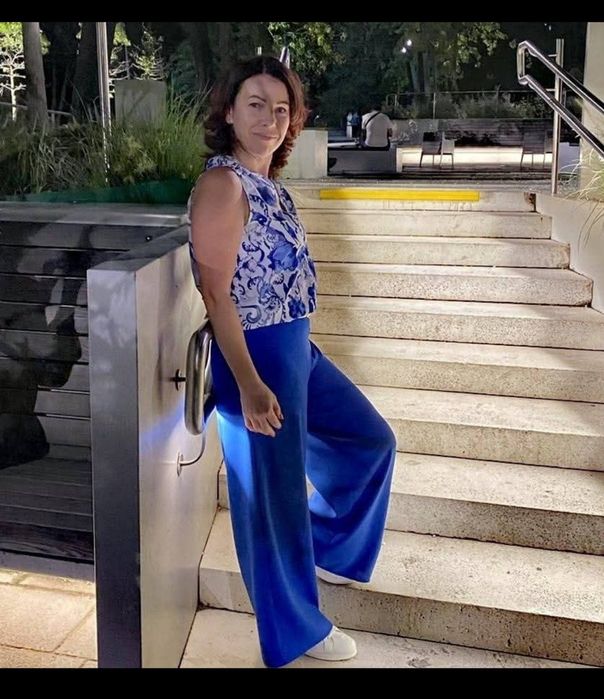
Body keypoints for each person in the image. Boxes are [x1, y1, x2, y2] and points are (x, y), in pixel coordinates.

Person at [187, 55, 396, 669]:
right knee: (272, 501)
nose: (270, 119)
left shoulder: (271, 187)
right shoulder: (223, 186)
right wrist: (249, 384)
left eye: (282, 109)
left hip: (295, 345)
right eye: (256, 104)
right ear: (229, 112)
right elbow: (215, 293)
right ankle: (297, 631)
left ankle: (323, 546)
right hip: (254, 355)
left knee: (369, 442)